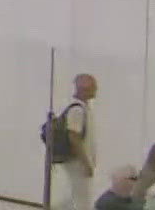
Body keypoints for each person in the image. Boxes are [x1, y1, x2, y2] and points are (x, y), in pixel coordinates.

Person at [55, 73, 98, 210]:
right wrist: (85, 162)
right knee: (82, 200)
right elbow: (74, 136)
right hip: (77, 162)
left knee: (74, 195)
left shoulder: (83, 108)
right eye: (93, 87)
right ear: (84, 89)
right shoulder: (77, 110)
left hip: (78, 161)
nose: (96, 89)